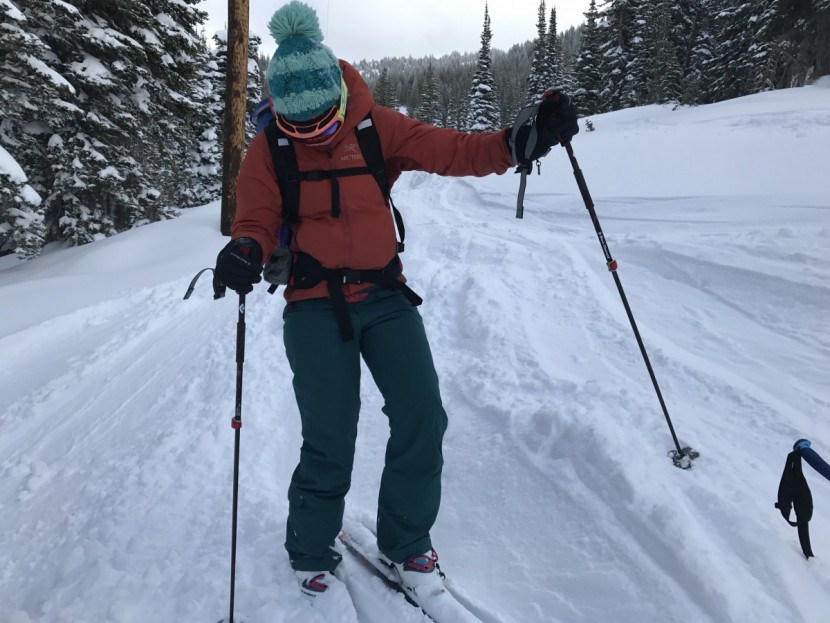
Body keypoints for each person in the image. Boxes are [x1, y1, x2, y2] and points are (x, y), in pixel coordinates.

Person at [214, 0, 578, 603]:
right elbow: (254, 217)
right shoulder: (271, 147)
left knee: (422, 415)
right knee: (330, 433)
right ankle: (309, 544)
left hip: (384, 294)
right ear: (280, 111)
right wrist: (245, 250)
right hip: (311, 303)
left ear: (336, 91)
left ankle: (407, 539)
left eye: (322, 119)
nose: (315, 133)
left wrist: (519, 143)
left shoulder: (375, 125)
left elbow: (454, 150)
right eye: (299, 125)